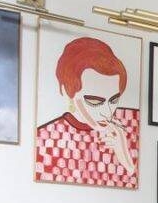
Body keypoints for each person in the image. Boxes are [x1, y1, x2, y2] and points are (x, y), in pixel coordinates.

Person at [35, 36, 139, 188]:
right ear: (69, 92)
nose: (107, 112)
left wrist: (126, 158)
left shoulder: (131, 122)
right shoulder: (47, 138)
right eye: (95, 102)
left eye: (114, 100)